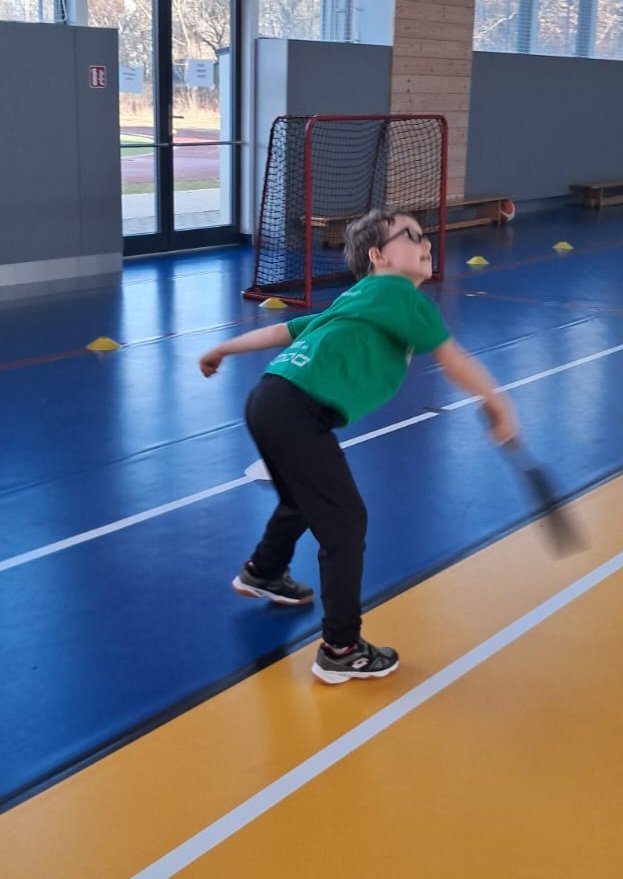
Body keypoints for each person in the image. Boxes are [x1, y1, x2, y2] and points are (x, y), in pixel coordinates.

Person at [199, 208, 517, 684]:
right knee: (346, 522)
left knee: (303, 498)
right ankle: (342, 648)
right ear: (378, 256)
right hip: (296, 409)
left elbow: (287, 330)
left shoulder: (362, 296)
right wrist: (497, 401)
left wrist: (224, 348)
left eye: (424, 235)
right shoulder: (398, 293)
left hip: (268, 398)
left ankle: (263, 571)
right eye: (410, 235)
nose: (425, 242)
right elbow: (453, 359)